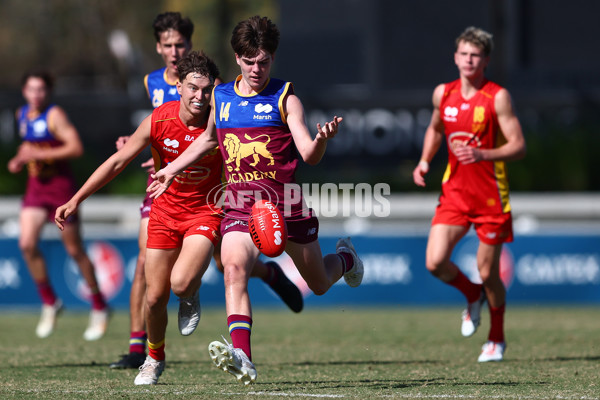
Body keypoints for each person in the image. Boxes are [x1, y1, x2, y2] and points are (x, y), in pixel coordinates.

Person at [148, 15, 363, 385]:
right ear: (237, 58)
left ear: (272, 59)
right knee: (233, 268)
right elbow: (210, 140)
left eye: (263, 61)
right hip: (241, 203)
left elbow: (309, 154)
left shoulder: (285, 97)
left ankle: (345, 259)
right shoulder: (221, 95)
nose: (256, 69)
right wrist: (171, 168)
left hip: (287, 203)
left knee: (319, 283)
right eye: (249, 61)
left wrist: (323, 139)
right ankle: (243, 356)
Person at [108, 11, 303, 371]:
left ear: (189, 44)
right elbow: (156, 132)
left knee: (221, 262)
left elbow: (220, 133)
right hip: (165, 188)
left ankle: (269, 274)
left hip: (210, 195)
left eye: (180, 44)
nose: (174, 51)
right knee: (146, 267)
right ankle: (141, 349)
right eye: (167, 45)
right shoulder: (153, 82)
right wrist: (147, 153)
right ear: (158, 47)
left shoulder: (214, 85)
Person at [56, 51, 225, 385]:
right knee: (154, 296)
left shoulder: (219, 121)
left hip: (204, 212)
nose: (200, 97)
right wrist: (77, 199)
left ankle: (189, 293)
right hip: (163, 213)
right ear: (179, 86)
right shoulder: (158, 120)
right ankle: (154, 358)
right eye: (193, 88)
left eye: (206, 91)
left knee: (180, 283)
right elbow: (118, 162)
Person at [412, 26, 526, 362]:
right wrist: (423, 161)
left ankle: (496, 338)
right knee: (434, 261)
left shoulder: (497, 97)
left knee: (489, 271)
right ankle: (471, 295)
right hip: (455, 196)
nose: (469, 60)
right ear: (455, 57)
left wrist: (483, 154)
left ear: (486, 60)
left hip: (490, 197)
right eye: (463, 54)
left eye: (475, 55)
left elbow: (519, 146)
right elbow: (435, 129)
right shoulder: (443, 94)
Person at [7, 70, 110, 341]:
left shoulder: (55, 116)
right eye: (31, 89)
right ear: (24, 91)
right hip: (35, 189)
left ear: (48, 92)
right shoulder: (21, 115)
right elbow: (29, 146)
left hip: (61, 191)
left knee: (75, 250)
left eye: (41, 89)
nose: (36, 95)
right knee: (26, 244)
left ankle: (99, 305)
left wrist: (39, 153)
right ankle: (50, 301)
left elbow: (75, 148)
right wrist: (19, 159)